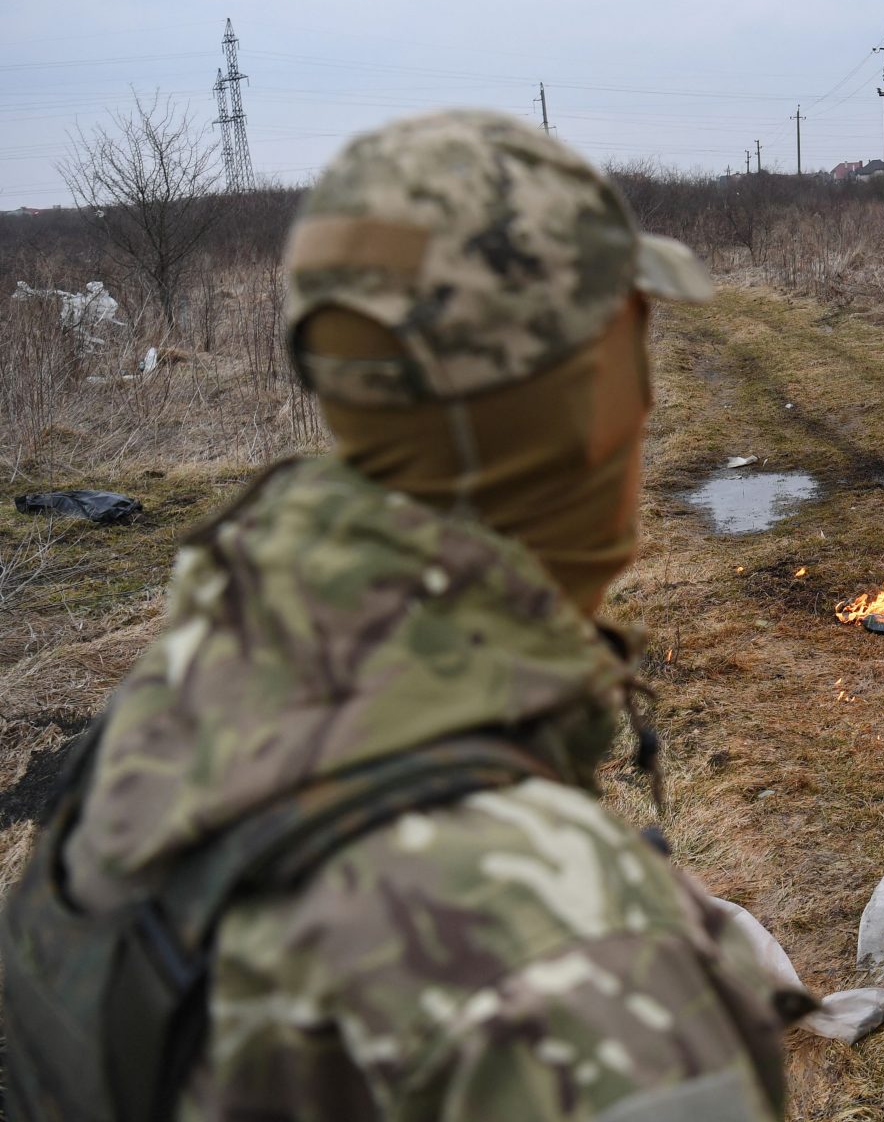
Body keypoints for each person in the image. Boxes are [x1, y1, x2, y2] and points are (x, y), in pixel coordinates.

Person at [1, 111, 805, 1120]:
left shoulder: (182, 707)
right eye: (630, 342)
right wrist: (645, 972)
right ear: (592, 405)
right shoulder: (582, 980)